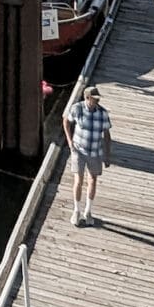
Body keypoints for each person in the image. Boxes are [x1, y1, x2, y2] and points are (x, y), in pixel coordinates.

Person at [63, 84, 112, 227]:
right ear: (87, 98)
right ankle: (76, 210)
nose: (97, 101)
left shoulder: (102, 113)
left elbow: (107, 135)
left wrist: (107, 155)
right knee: (78, 180)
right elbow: (66, 120)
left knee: (93, 180)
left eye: (98, 99)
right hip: (79, 150)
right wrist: (69, 140)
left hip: (95, 152)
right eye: (94, 99)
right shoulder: (77, 108)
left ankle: (88, 211)